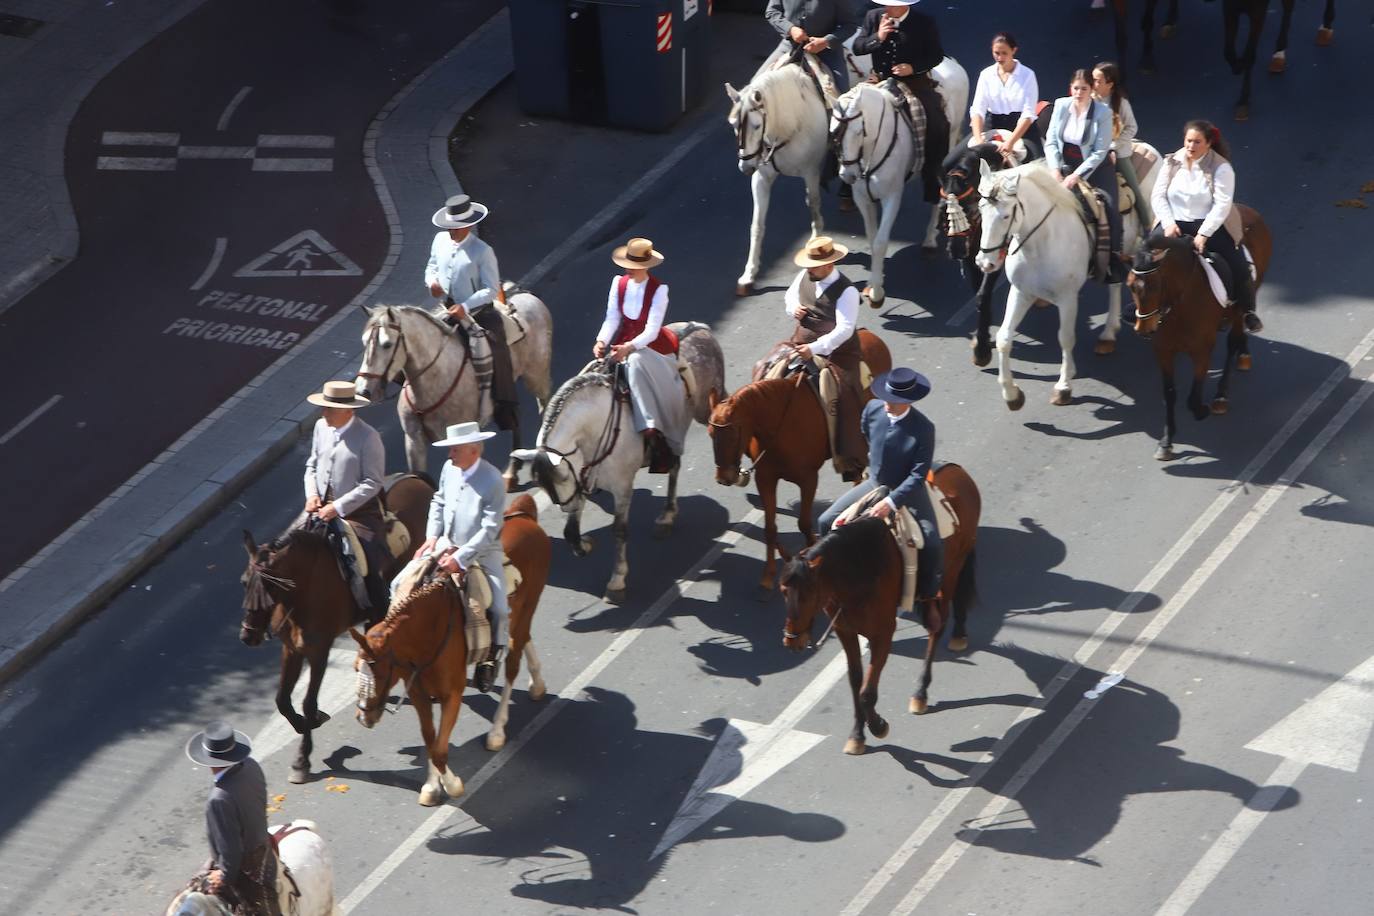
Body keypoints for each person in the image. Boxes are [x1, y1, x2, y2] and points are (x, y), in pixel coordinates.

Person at [403, 421, 509, 694]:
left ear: (473, 450)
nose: (450, 455)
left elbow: (489, 529)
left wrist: (461, 558)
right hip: (444, 544)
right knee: (399, 585)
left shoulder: (493, 480)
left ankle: (491, 658)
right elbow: (438, 501)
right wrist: (431, 537)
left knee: (498, 608)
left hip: (483, 553)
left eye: (455, 450)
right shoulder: (449, 469)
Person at [818, 367, 943, 600]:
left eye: (894, 401)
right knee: (824, 521)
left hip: (905, 489)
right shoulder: (872, 409)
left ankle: (928, 593)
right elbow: (866, 433)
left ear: (908, 402)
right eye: (886, 397)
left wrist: (891, 502)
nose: (887, 404)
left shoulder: (924, 429)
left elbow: (918, 475)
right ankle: (835, 572)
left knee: (932, 540)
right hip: (875, 482)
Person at [1149, 120, 1261, 332]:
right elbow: (1158, 195)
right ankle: (1141, 307)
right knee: (1144, 257)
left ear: (1209, 143)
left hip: (1208, 224)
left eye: (1197, 142)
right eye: (1188, 141)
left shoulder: (1221, 168)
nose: (1191, 146)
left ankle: (1247, 310)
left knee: (1238, 264)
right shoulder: (1172, 162)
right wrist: (1168, 222)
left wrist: (1204, 234)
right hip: (1174, 222)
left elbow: (1222, 205)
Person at [593, 237, 691, 475]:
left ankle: (652, 430)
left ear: (646, 265)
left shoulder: (659, 290)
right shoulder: (619, 284)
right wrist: (601, 340)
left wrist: (630, 347)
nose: (630, 270)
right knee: (591, 377)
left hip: (651, 347)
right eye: (629, 264)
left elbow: (652, 330)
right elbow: (612, 318)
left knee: (635, 365)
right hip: (621, 345)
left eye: (635, 266)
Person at [425, 194, 518, 430]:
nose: (451, 231)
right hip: (448, 308)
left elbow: (490, 288)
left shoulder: (482, 251)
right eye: (448, 227)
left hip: (478, 312)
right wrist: (432, 282)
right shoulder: (440, 240)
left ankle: (504, 405)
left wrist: (465, 307)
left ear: (468, 225)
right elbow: (432, 266)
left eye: (455, 228)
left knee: (498, 350)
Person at [781, 236, 866, 480]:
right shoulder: (806, 276)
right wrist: (793, 308)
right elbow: (791, 296)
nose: (809, 269)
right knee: (768, 368)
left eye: (814, 265)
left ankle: (852, 460)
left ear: (829, 265)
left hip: (837, 352)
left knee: (845, 397)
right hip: (802, 340)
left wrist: (815, 348)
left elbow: (845, 329)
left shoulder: (847, 291)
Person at [304, 379, 389, 615]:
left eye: (329, 408)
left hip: (358, 512)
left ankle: (377, 611)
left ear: (347, 410)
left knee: (368, 559)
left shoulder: (368, 437)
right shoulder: (321, 427)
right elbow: (311, 466)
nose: (324, 413)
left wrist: (338, 507)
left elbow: (373, 482)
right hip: (319, 506)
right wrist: (311, 495)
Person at [852, 0, 951, 202]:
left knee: (936, 122)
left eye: (893, 5)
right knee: (848, 115)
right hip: (879, 79)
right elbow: (858, 47)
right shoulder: (874, 17)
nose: (888, 9)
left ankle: (931, 179)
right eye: (886, 5)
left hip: (914, 82)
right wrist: (877, 37)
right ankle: (846, 179)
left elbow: (935, 55)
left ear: (905, 6)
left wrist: (912, 68)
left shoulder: (923, 22)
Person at [185, 721, 281, 916]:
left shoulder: (218, 799)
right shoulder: (251, 765)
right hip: (262, 846)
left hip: (248, 867)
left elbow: (231, 850)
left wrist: (224, 876)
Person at [1044, 69, 1125, 282]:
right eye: (1075, 88)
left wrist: (1077, 176)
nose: (1078, 93)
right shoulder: (1061, 105)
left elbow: (1099, 152)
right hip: (1063, 164)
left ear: (1091, 90)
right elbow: (1051, 140)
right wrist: (1055, 168)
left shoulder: (1103, 113)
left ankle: (1113, 259)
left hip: (1094, 167)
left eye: (1084, 89)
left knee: (1109, 206)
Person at [1092, 60, 1153, 229]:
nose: (1094, 84)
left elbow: (1132, 127)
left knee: (1134, 188)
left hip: (1118, 153)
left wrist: (1114, 145)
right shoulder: (1090, 100)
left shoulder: (1121, 103)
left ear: (1110, 84)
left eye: (1098, 81)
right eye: (1093, 80)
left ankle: (1147, 225)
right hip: (1092, 152)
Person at [969, 31, 1043, 162]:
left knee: (1037, 164)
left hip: (1021, 127)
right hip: (993, 124)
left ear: (1014, 50)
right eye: (996, 53)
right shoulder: (986, 74)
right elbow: (978, 109)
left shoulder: (1027, 75)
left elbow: (1028, 113)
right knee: (951, 162)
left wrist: (1010, 142)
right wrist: (979, 141)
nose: (1000, 57)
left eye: (1004, 53)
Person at [764, 0, 856, 91]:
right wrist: (790, 29)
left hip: (827, 52)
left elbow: (850, 25)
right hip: (789, 46)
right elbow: (772, 12)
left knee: (841, 94)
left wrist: (826, 41)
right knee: (755, 85)